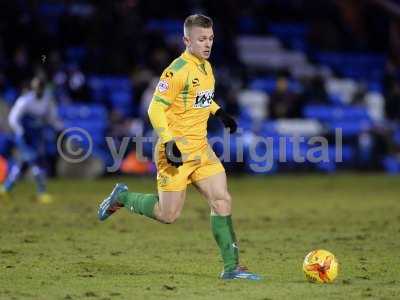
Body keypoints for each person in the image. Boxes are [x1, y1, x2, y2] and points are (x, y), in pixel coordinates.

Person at [98, 14, 261, 280]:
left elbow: (201, 99)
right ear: (187, 40)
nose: (207, 44)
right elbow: (155, 108)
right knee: (168, 214)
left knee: (221, 199)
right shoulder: (176, 70)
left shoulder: (206, 67)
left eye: (210, 38)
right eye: (201, 39)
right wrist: (169, 140)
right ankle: (123, 198)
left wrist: (219, 113)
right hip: (174, 152)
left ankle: (231, 267)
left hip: (201, 148)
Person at [0, 77, 63, 204]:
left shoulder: (47, 100)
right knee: (35, 161)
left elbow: (51, 117)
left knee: (23, 163)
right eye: (36, 88)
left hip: (37, 136)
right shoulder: (25, 101)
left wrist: (59, 128)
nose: (38, 90)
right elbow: (13, 118)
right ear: (33, 88)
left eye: (40, 88)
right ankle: (42, 192)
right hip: (24, 137)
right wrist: (20, 131)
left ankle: (5, 188)